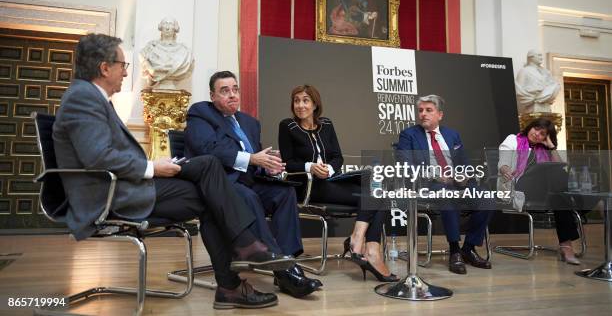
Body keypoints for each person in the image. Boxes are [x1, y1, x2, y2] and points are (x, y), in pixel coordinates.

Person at [53, 34, 295, 310]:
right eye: (123, 65)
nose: (125, 72)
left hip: (124, 186)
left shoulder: (91, 98)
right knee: (210, 189)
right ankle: (238, 267)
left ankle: (243, 257)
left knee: (207, 167)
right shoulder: (83, 98)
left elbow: (103, 154)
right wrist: (152, 167)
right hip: (109, 197)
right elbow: (97, 157)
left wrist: (158, 166)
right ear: (104, 68)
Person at [184, 71, 322, 298]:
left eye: (235, 89)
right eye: (224, 91)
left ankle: (287, 263)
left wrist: (267, 166)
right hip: (221, 185)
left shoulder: (250, 122)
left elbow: (257, 157)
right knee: (248, 197)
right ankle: (285, 271)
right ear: (213, 95)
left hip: (250, 181)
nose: (232, 95)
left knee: (284, 193)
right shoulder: (201, 113)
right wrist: (251, 159)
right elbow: (208, 149)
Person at [278, 84, 398, 282]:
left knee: (378, 188)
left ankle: (361, 243)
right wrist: (310, 167)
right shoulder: (287, 126)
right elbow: (287, 162)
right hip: (307, 187)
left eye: (305, 100)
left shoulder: (326, 124)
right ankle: (366, 248)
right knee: (375, 196)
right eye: (296, 100)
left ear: (315, 104)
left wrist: (329, 170)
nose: (300, 105)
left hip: (332, 180)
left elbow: (337, 157)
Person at [397, 95, 494, 275]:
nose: (423, 114)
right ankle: (455, 249)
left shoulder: (452, 135)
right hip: (429, 185)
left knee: (487, 197)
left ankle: (469, 248)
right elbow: (405, 165)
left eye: (428, 110)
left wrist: (464, 174)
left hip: (457, 183)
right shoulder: (409, 135)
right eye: (420, 111)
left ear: (440, 115)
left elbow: (463, 162)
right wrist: (437, 175)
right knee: (446, 192)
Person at [498, 118, 581, 265]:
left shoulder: (543, 149)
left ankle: (565, 244)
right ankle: (567, 246)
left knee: (559, 191)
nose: (537, 134)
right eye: (536, 129)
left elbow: (561, 166)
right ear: (530, 127)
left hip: (543, 191)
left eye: (543, 134)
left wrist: (550, 146)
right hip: (518, 185)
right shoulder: (513, 139)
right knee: (557, 178)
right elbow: (502, 162)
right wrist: (505, 169)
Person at [139, 17, 194, 89]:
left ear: (175, 28)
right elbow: (142, 55)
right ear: (161, 27)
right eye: (165, 24)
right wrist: (148, 65)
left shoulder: (184, 51)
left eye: (170, 24)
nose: (167, 28)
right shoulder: (151, 47)